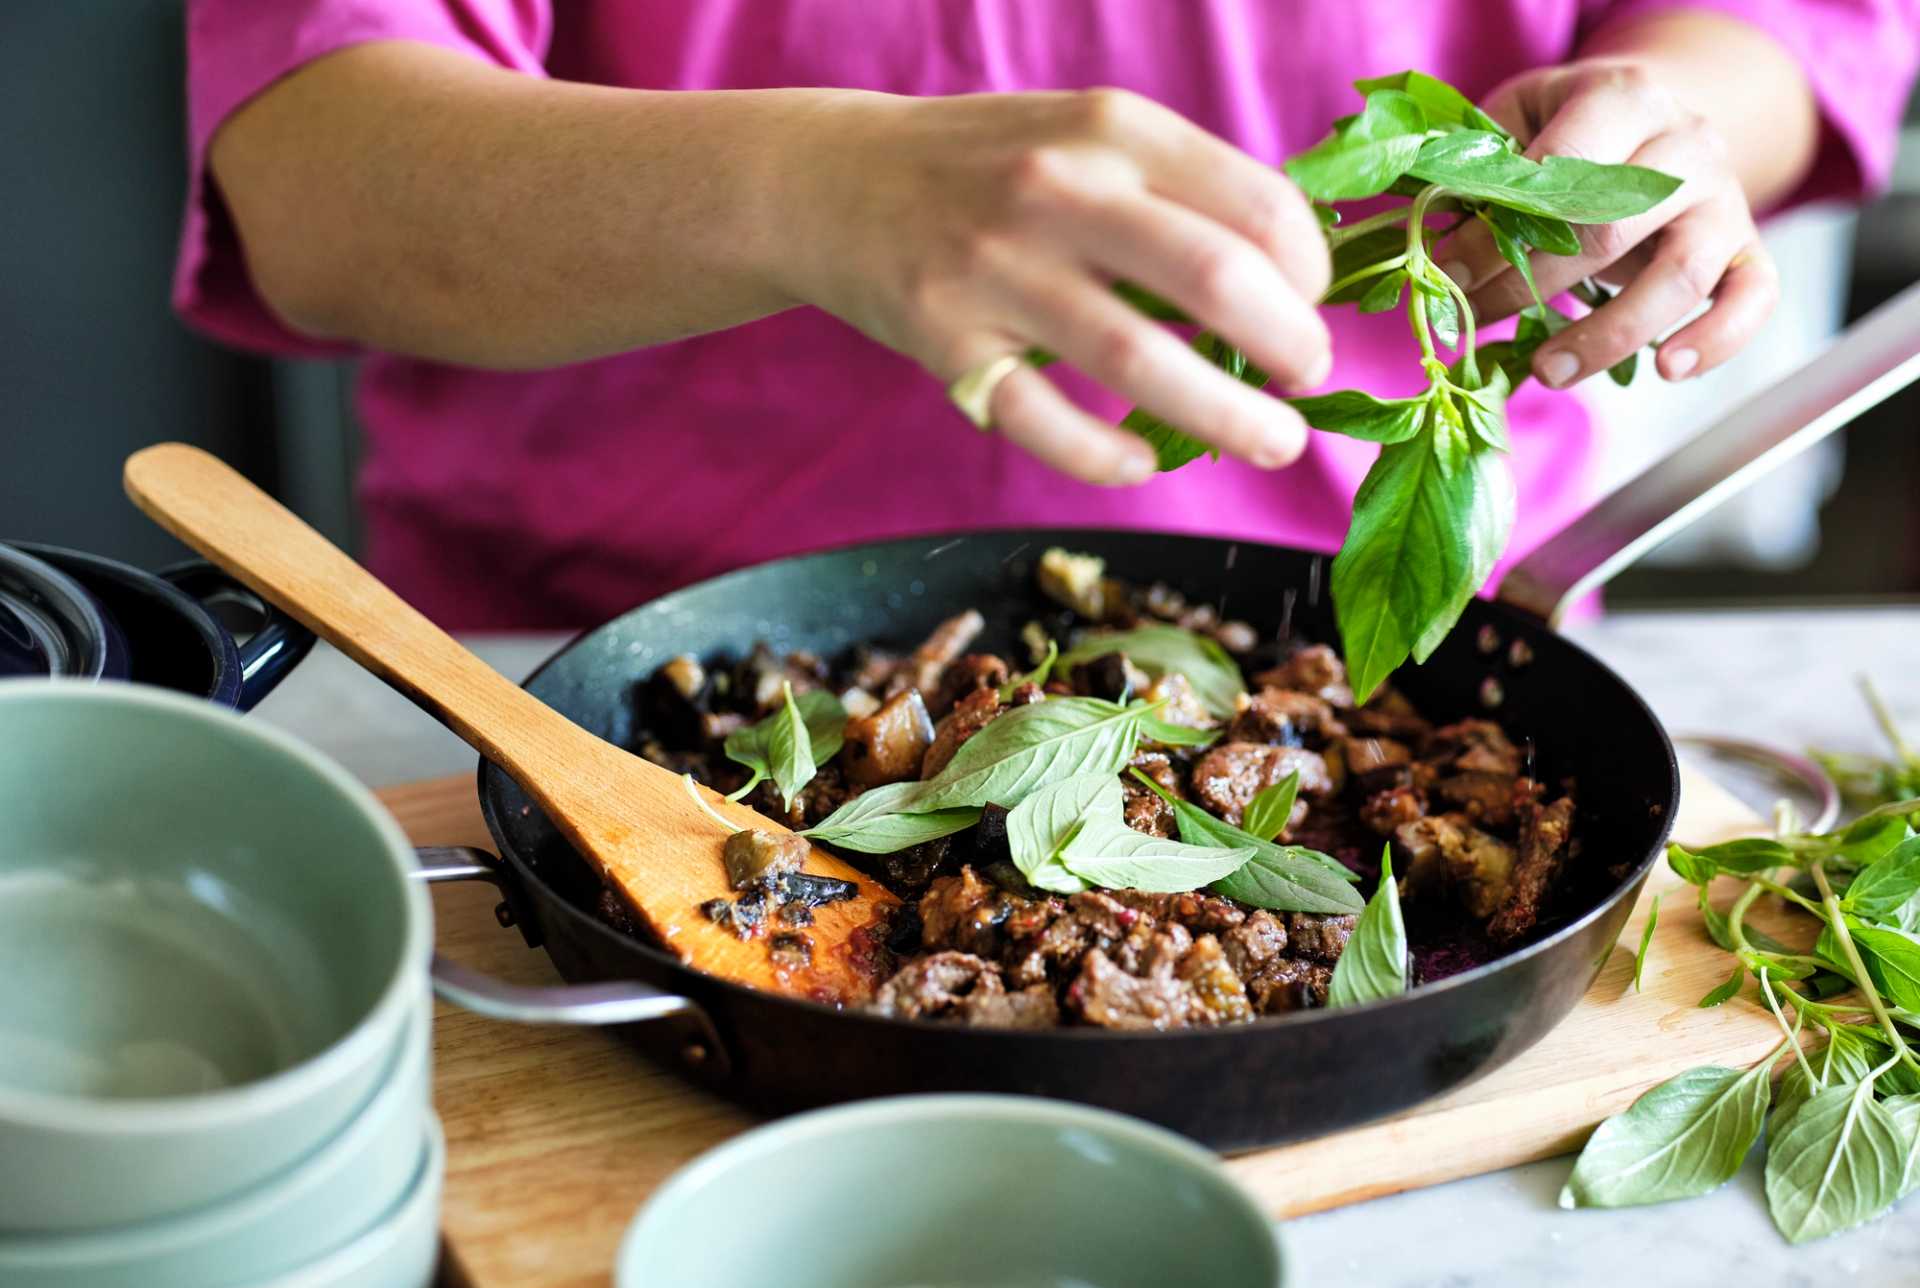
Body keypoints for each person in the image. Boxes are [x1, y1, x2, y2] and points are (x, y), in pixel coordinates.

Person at [177, 1, 1917, 630]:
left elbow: (1783, 28)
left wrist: (1668, 124)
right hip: (600, 671)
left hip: (1411, 660)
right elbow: (318, 176)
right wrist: (802, 187)